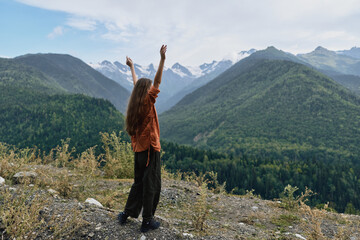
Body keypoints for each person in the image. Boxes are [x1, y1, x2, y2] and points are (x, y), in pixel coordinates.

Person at [118, 45, 167, 233]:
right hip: (150, 149)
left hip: (139, 150)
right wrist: (162, 59)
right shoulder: (147, 102)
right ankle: (147, 221)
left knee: (138, 183)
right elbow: (157, 81)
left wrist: (132, 67)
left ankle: (126, 214)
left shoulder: (136, 103)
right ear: (146, 93)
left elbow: (136, 84)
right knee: (152, 183)